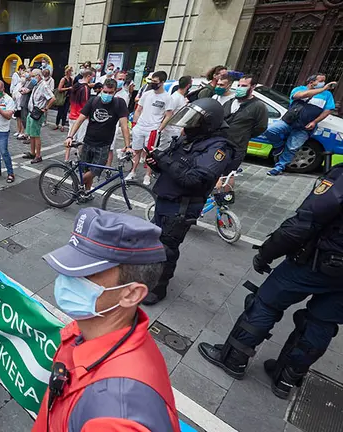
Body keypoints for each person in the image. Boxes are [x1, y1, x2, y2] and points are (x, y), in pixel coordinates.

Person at [199, 162, 343, 400]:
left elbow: (304, 222)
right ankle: (286, 378)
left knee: (265, 304)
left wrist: (267, 253)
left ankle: (234, 359)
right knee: (322, 324)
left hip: (315, 263)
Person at [32, 208, 179, 432]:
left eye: (86, 273)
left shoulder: (116, 416)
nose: (66, 278)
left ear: (131, 294)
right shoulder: (90, 330)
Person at [143, 98, 236, 305]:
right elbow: (171, 166)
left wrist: (163, 160)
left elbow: (194, 179)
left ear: (207, 124)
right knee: (153, 242)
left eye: (194, 121)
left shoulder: (217, 149)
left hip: (182, 205)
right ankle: (149, 275)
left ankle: (159, 288)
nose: (187, 126)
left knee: (167, 247)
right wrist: (156, 163)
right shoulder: (189, 138)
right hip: (166, 198)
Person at [65, 79, 131, 201]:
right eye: (105, 91)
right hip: (88, 141)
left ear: (115, 92)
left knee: (95, 170)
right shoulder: (94, 101)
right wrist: (70, 136)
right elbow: (80, 119)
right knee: (86, 169)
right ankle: (86, 192)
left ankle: (77, 184)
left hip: (104, 145)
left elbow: (124, 125)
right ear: (101, 90)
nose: (107, 95)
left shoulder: (119, 103)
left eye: (110, 92)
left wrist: (127, 146)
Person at [264, 73, 337, 176]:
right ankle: (279, 146)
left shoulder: (327, 95)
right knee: (270, 130)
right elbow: (301, 95)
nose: (324, 83)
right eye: (321, 81)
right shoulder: (299, 89)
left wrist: (315, 122)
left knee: (292, 147)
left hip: (305, 126)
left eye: (324, 81)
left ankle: (279, 167)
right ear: (311, 82)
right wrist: (323, 89)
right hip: (289, 121)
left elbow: (328, 110)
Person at [213, 75, 268, 192]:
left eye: (244, 86)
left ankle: (224, 198)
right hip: (220, 143)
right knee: (215, 170)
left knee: (229, 174)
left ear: (252, 87)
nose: (240, 88)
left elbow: (261, 127)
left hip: (237, 146)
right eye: (238, 85)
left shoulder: (258, 106)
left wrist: (244, 134)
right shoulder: (230, 102)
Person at [127, 70, 173, 186]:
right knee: (136, 151)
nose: (153, 83)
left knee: (150, 153)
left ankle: (147, 174)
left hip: (153, 129)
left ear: (162, 82)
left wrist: (159, 129)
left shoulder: (167, 97)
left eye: (155, 81)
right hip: (140, 126)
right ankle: (133, 171)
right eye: (152, 81)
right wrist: (134, 125)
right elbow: (138, 109)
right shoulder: (147, 94)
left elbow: (168, 115)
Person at [105, 71, 135, 169]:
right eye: (119, 78)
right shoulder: (105, 90)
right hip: (102, 122)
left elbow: (123, 116)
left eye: (123, 79)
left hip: (113, 124)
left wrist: (127, 145)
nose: (121, 81)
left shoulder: (124, 95)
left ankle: (108, 167)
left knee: (110, 148)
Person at [25, 68, 55, 164]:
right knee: (31, 134)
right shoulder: (36, 84)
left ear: (39, 76)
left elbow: (52, 98)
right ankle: (32, 152)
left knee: (36, 135)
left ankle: (38, 155)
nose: (32, 78)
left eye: (33, 76)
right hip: (31, 112)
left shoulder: (44, 86)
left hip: (37, 113)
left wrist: (45, 108)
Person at [64, 67, 93, 161]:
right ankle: (79, 160)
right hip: (81, 117)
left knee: (70, 137)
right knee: (81, 141)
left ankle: (66, 159)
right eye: (92, 76)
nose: (92, 78)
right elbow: (86, 104)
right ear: (88, 76)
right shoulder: (85, 88)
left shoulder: (76, 85)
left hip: (72, 114)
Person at [54, 66, 73, 132]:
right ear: (67, 72)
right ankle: (57, 124)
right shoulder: (63, 79)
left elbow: (72, 87)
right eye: (70, 71)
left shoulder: (71, 79)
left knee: (65, 112)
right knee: (60, 111)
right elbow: (59, 89)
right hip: (62, 98)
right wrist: (68, 88)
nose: (71, 72)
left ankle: (62, 125)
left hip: (68, 98)